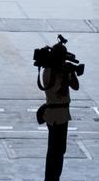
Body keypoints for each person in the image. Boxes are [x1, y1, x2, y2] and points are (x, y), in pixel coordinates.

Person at [39, 44, 79, 181]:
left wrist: (70, 72)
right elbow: (62, 91)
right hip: (58, 116)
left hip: (58, 115)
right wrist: (66, 73)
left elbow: (76, 86)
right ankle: (52, 178)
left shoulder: (53, 71)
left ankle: (53, 177)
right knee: (56, 151)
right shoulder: (51, 72)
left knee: (56, 150)